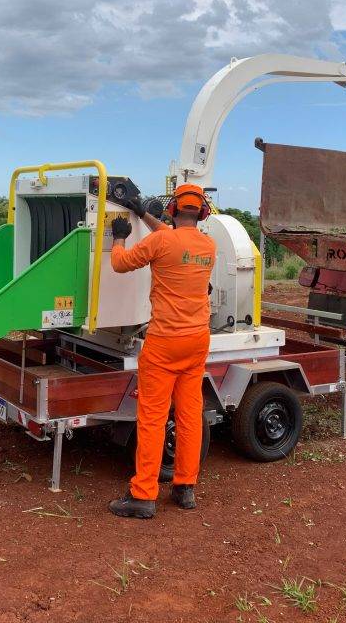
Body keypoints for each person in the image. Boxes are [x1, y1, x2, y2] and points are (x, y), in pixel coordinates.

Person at [107, 183, 216, 518]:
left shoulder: (161, 241)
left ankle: (143, 495)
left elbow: (121, 264)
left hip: (164, 343)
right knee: (189, 415)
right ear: (202, 213)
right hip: (197, 340)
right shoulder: (208, 246)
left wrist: (119, 237)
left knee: (153, 418)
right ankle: (185, 487)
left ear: (172, 209)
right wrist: (143, 213)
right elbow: (173, 239)